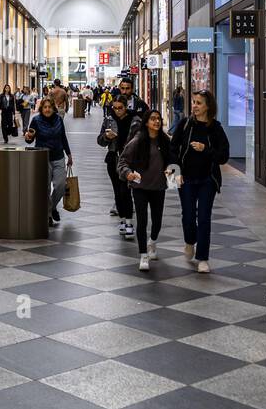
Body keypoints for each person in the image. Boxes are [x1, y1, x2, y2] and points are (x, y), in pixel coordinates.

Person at [171, 90, 230, 274]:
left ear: (208, 107)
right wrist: (176, 172)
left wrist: (206, 149)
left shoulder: (216, 129)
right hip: (185, 178)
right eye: (194, 102)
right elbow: (173, 148)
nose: (194, 106)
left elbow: (223, 157)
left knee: (204, 218)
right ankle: (190, 241)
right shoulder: (185, 124)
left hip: (207, 180)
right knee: (188, 215)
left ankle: (203, 257)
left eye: (199, 103)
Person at [117, 109, 174, 272]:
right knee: (142, 221)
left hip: (158, 187)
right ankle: (143, 255)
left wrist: (172, 172)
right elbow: (122, 163)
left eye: (159, 119)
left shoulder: (165, 140)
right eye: (153, 119)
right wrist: (128, 173)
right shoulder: (137, 141)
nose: (157, 121)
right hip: (140, 187)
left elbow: (172, 160)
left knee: (157, 221)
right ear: (146, 122)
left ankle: (152, 242)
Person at [24, 95, 73, 226]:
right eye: (45, 107)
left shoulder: (58, 119)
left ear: (53, 108)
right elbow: (30, 139)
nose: (47, 109)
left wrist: (69, 154)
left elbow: (63, 137)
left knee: (60, 186)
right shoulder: (36, 120)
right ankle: (48, 215)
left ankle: (51, 207)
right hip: (42, 157)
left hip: (58, 157)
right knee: (44, 188)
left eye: (49, 107)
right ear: (41, 108)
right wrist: (28, 137)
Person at [98, 95, 140, 238]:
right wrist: (106, 137)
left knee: (125, 191)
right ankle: (122, 219)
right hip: (113, 159)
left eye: (120, 108)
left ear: (125, 106)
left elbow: (141, 140)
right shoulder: (109, 120)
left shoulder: (135, 121)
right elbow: (100, 141)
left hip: (128, 161)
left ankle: (129, 222)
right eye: (114, 108)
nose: (117, 111)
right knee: (117, 192)